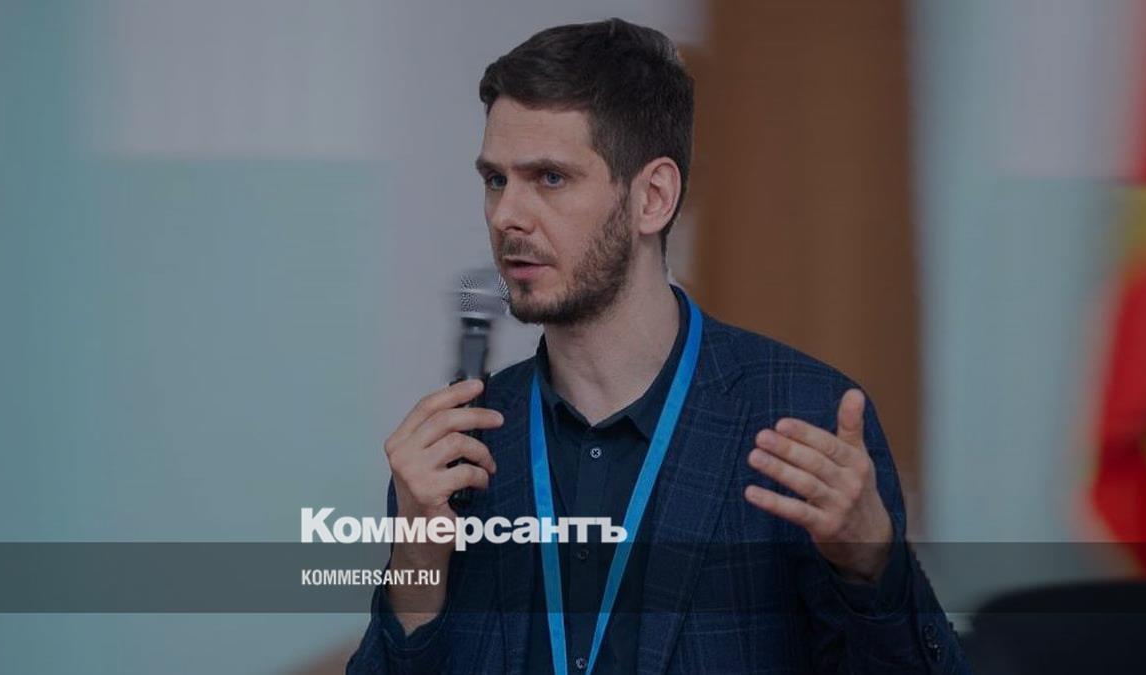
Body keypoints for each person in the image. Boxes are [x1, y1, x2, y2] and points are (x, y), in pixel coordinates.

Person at [349, 18, 968, 674]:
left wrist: (873, 569)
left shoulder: (801, 420)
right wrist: (416, 561)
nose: (507, 215)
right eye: (496, 179)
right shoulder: (461, 453)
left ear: (653, 198)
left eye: (550, 178)